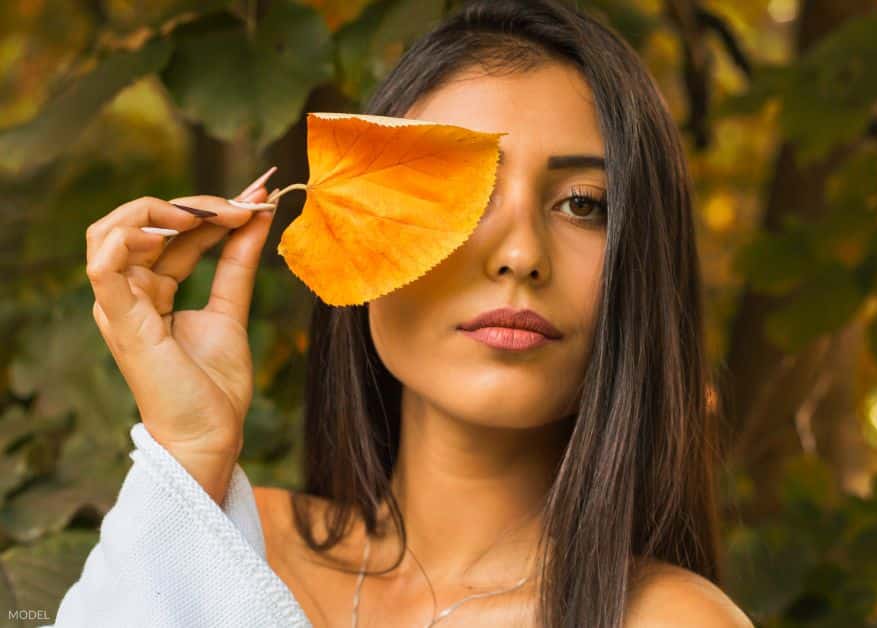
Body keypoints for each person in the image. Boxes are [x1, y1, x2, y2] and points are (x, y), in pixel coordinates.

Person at [60, 0, 753, 626]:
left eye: (583, 204)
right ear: (355, 224)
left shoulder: (670, 620)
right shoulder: (229, 535)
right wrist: (189, 453)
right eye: (462, 195)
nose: (519, 255)